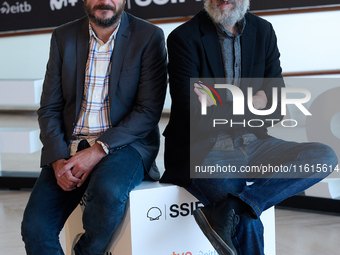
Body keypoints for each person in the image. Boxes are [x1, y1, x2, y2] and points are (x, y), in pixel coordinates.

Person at [160, 0, 338, 254]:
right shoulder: (184, 38)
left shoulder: (263, 31)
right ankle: (238, 207)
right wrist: (252, 101)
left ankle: (234, 206)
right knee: (247, 218)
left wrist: (218, 102)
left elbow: (276, 106)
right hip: (205, 150)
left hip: (255, 143)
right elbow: (196, 117)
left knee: (324, 156)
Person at [21, 0, 167, 254]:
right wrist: (57, 159)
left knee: (108, 192)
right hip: (70, 146)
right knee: (35, 229)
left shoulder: (149, 36)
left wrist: (98, 150)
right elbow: (49, 108)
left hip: (124, 144)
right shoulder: (63, 37)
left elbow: (148, 112)